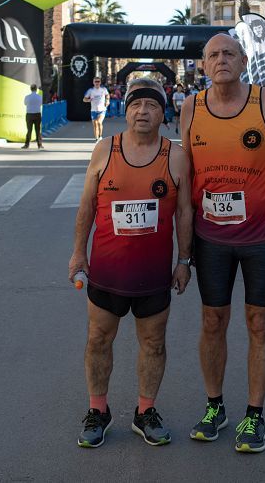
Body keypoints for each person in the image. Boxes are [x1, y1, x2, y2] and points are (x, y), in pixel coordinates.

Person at [179, 33, 265, 454]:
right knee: (212, 322)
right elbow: (187, 175)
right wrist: (183, 245)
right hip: (210, 239)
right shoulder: (191, 107)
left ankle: (254, 415)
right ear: (203, 64)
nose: (221, 60)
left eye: (229, 53)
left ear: (244, 60)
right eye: (213, 54)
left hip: (263, 238)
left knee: (259, 322)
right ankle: (215, 407)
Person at [69, 77, 194, 449]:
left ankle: (145, 412)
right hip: (107, 270)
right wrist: (78, 251)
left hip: (154, 275)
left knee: (154, 343)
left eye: (152, 105)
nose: (144, 111)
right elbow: (87, 206)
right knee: (97, 340)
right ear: (126, 109)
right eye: (137, 104)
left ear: (162, 112)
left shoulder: (175, 156)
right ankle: (98, 410)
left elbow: (184, 213)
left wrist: (184, 260)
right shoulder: (104, 150)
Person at [22, 83, 44, 149]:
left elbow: (25, 104)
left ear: (30, 89)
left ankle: (27, 144)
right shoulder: (39, 97)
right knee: (37, 130)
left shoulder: (27, 97)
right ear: (36, 89)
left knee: (29, 130)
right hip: (37, 114)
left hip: (29, 114)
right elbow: (40, 104)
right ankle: (39, 144)